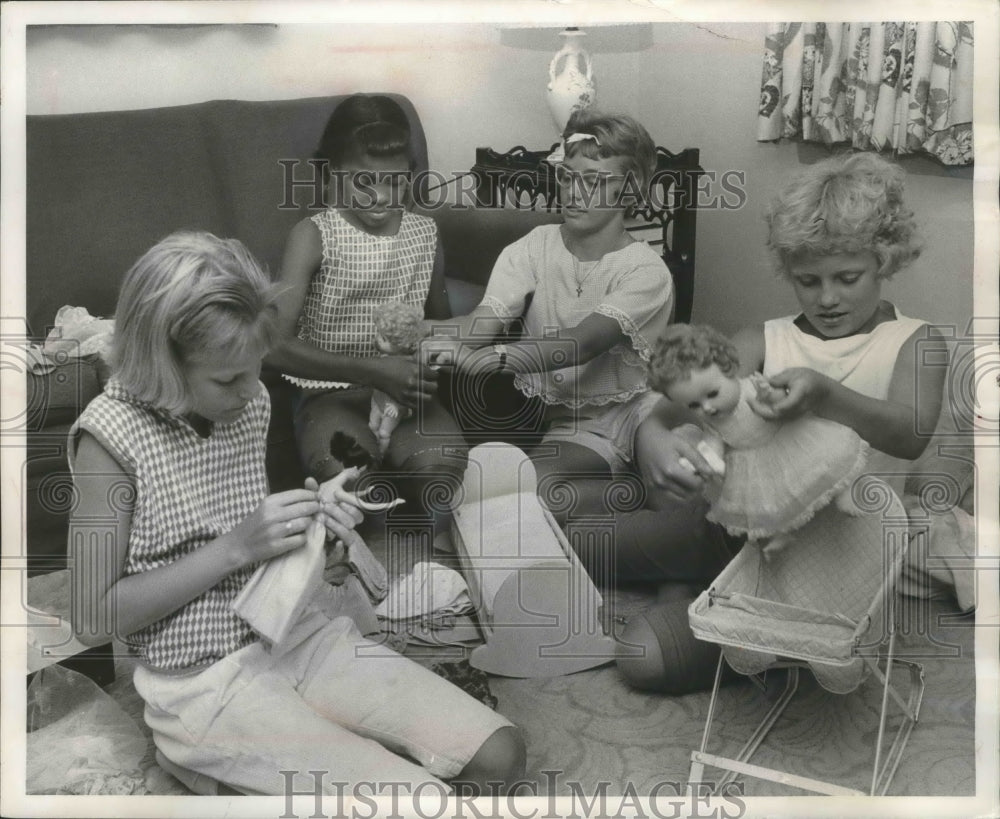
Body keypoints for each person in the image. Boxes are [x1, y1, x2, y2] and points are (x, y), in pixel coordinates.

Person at [68, 231, 525, 796]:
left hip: (292, 635)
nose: (250, 391)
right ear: (162, 364)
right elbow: (93, 618)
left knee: (501, 754)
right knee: (416, 801)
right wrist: (236, 547)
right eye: (227, 379)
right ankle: (203, 754)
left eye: (255, 368)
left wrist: (309, 541)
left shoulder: (248, 402)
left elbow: (247, 539)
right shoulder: (108, 439)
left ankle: (248, 775)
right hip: (202, 683)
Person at [624, 151, 975, 691]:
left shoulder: (916, 341)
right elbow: (670, 406)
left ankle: (679, 587)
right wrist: (650, 435)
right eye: (808, 281)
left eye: (848, 277)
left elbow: (909, 435)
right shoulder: (763, 338)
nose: (827, 298)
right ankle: (679, 580)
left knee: (642, 657)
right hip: (732, 531)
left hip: (839, 556)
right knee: (581, 530)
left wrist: (824, 395)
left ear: (884, 260)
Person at [266, 94, 464, 549]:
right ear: (332, 174)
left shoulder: (424, 233)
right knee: (348, 474)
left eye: (395, 181)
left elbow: (440, 325)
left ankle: (436, 548)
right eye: (363, 181)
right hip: (329, 394)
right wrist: (374, 370)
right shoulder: (315, 235)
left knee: (444, 469)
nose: (381, 197)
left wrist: (429, 359)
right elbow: (272, 345)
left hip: (404, 398)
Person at [647, 323, 870, 541]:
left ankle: (846, 489)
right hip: (754, 461)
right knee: (770, 501)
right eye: (694, 405)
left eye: (713, 394)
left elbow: (782, 402)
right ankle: (780, 533)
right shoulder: (712, 422)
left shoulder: (750, 388)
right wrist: (709, 461)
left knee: (826, 461)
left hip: (789, 441)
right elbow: (713, 444)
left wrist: (770, 394)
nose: (707, 407)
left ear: (729, 369)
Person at [369, 300, 429, 457]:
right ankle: (373, 448)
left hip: (393, 405)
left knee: (384, 432)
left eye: (384, 339)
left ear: (402, 344)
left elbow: (408, 386)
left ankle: (381, 456)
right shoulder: (385, 356)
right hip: (378, 399)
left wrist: (398, 406)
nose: (378, 338)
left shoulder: (406, 365)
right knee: (373, 425)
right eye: (379, 333)